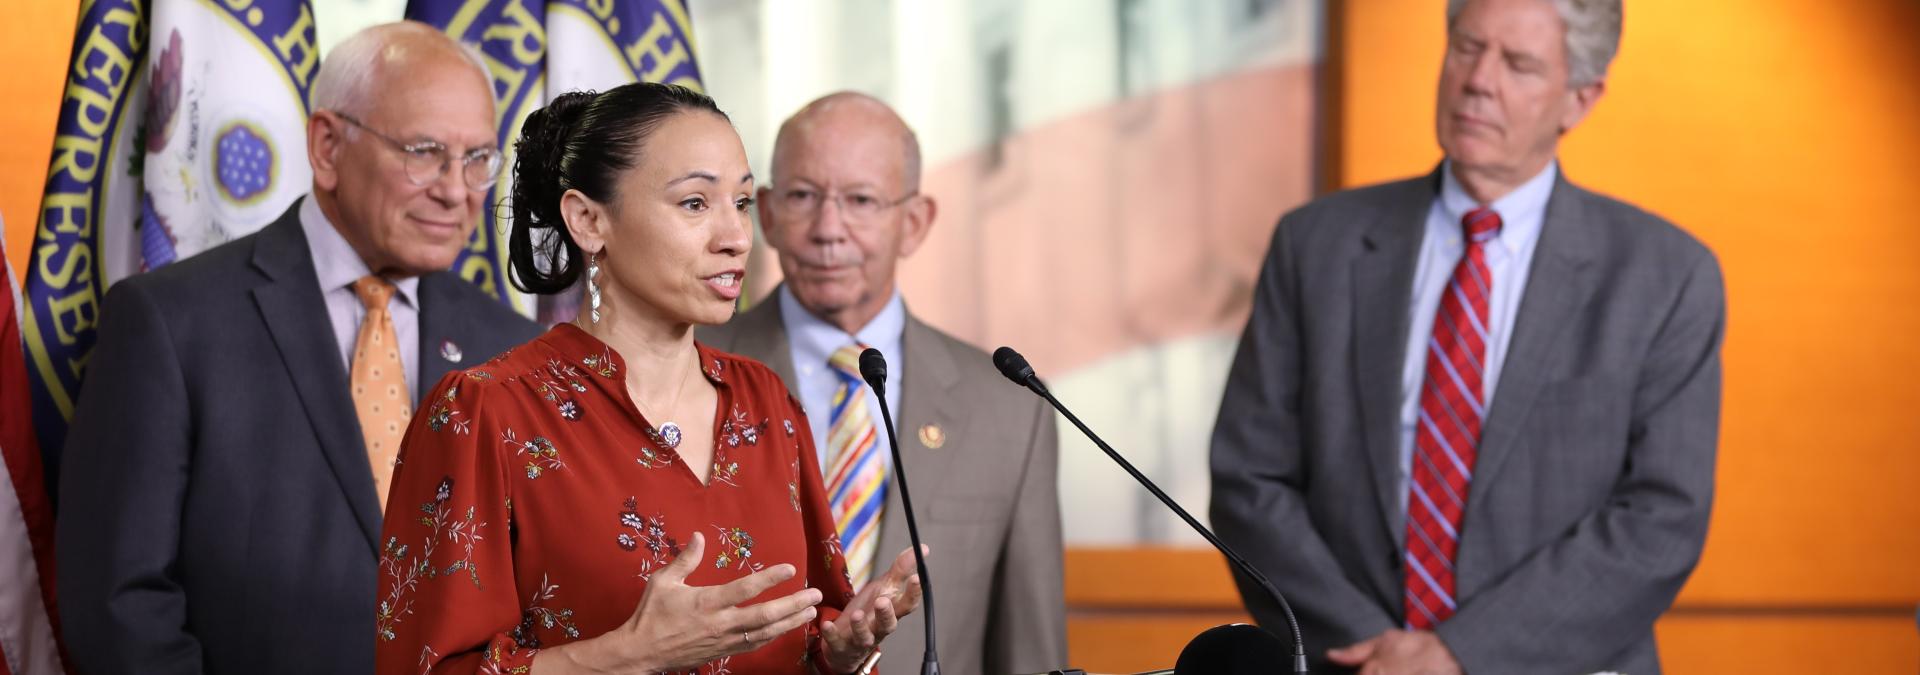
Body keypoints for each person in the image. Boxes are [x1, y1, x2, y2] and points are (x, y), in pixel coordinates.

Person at [1208, 0, 1724, 672]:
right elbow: (1251, 481)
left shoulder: (1664, 277)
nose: (1479, 79)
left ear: (1580, 98)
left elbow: (1662, 519)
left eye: (1519, 64)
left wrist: (1460, 653)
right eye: (1466, 46)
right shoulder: (1315, 247)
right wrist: (1380, 656)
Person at [373, 82, 926, 675]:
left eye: (740, 203)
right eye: (694, 203)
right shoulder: (485, 412)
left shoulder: (766, 401)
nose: (736, 237)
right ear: (587, 220)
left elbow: (806, 639)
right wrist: (627, 656)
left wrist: (840, 654)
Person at [55, 22, 541, 674]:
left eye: (479, 158)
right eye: (425, 151)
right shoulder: (170, 322)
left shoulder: (509, 346)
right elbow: (118, 604)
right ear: (327, 146)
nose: (457, 191)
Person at [700, 91, 1068, 674]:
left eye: (861, 200)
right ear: (765, 213)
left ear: (914, 222)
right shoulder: (692, 365)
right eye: (802, 196)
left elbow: (1029, 651)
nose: (828, 229)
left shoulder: (1009, 406)